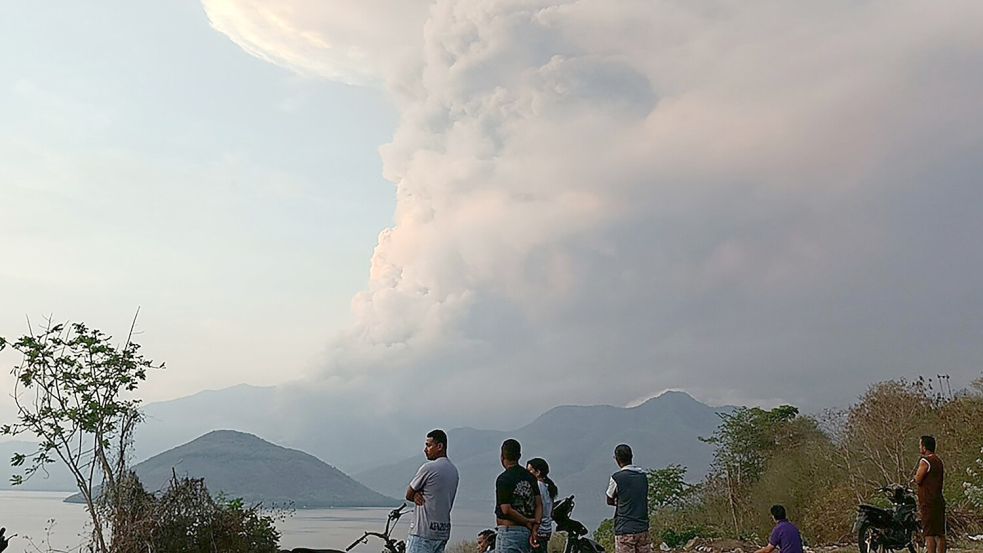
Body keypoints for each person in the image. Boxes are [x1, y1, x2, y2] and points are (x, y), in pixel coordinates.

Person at [405, 429, 460, 553]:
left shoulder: (429, 468)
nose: (425, 450)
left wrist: (414, 495)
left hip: (422, 533)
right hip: (442, 533)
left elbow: (408, 494)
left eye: (429, 445)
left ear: (440, 446)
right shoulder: (453, 471)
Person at [495, 439, 543, 553]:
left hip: (509, 532)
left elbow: (506, 509)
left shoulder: (504, 479)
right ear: (519, 456)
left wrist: (526, 521)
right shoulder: (530, 477)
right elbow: (539, 505)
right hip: (526, 533)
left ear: (502, 456)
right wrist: (535, 527)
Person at [606, 444, 650, 553]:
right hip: (642, 528)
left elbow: (609, 499)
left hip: (624, 529)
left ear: (616, 459)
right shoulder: (643, 476)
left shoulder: (616, 478)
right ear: (631, 456)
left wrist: (620, 501)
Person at [914, 435, 946, 553]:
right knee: (940, 533)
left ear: (924, 447)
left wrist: (915, 477)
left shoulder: (925, 461)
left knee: (929, 534)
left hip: (928, 502)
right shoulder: (938, 461)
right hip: (938, 500)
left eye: (920, 445)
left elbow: (918, 479)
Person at [526, 458, 558, 553]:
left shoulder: (537, 487)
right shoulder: (548, 487)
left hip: (538, 530)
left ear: (537, 472)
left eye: (530, 470)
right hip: (546, 530)